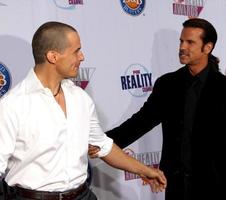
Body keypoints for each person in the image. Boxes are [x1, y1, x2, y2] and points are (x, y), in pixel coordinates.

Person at [0, 21, 166, 200]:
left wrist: (145, 170)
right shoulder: (13, 105)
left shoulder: (80, 98)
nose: (82, 57)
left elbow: (103, 145)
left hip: (83, 195)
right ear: (53, 57)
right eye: (76, 51)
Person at [91, 18, 226, 199]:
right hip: (177, 188)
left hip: (217, 188)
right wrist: (99, 143)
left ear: (208, 47)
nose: (183, 47)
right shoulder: (168, 84)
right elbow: (139, 123)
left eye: (190, 42)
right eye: (181, 41)